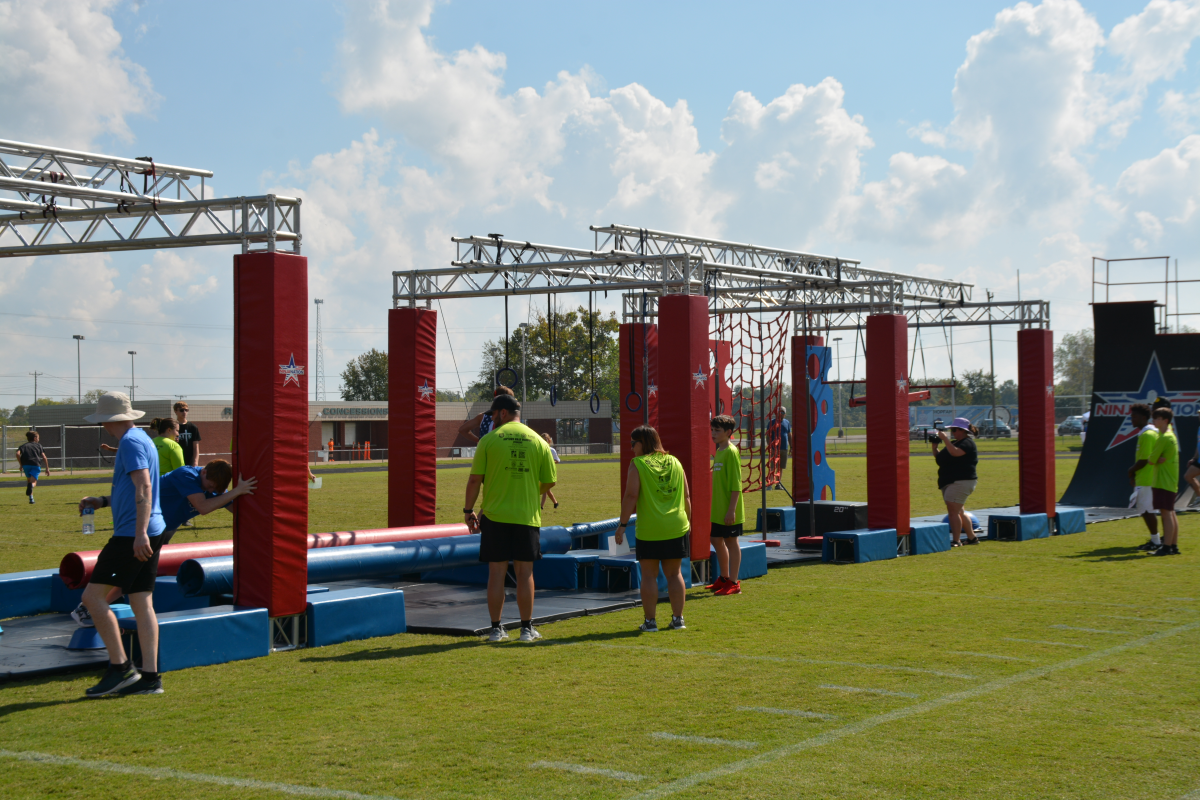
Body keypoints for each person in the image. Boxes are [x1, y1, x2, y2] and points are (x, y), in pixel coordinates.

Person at [71, 460, 257, 628]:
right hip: (139, 526)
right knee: (126, 571)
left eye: (214, 489)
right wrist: (236, 491)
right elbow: (203, 506)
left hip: (159, 532)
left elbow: (234, 508)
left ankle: (90, 608)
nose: (210, 491)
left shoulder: (213, 485)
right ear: (204, 472)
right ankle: (88, 607)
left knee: (135, 575)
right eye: (209, 487)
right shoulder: (186, 475)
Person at [76, 392, 166, 697]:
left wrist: (139, 534)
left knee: (92, 598)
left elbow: (144, 486)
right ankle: (150, 678)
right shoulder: (142, 439)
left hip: (133, 534)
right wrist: (102, 501)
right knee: (141, 602)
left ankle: (121, 668)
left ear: (105, 420)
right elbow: (133, 489)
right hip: (151, 528)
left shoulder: (129, 442)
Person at [463, 394, 557, 643]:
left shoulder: (489, 440)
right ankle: (526, 629)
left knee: (496, 573)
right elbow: (550, 480)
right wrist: (529, 491)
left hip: (495, 516)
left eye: (494, 414)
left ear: (503, 413)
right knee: (525, 573)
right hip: (526, 515)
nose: (492, 419)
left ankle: (496, 629)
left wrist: (468, 510)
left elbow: (474, 480)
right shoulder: (538, 441)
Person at [616, 425, 692, 632]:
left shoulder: (638, 464)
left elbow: (631, 495)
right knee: (674, 574)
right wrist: (688, 523)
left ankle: (650, 622)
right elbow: (686, 496)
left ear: (642, 443)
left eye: (633, 444)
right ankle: (678, 619)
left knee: (649, 576)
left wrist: (622, 525)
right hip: (677, 525)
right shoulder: (675, 461)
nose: (632, 448)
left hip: (650, 529)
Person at [708, 415, 745, 596]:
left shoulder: (731, 451)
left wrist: (731, 510)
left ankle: (734, 583)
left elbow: (736, 484)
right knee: (715, 539)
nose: (713, 433)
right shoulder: (720, 451)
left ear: (728, 432)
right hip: (718, 508)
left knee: (731, 541)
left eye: (717, 430)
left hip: (730, 509)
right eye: (712, 429)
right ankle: (724, 578)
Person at [932, 417, 979, 547]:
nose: (952, 432)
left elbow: (955, 453)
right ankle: (972, 538)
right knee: (959, 512)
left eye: (954, 430)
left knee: (953, 513)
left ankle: (956, 540)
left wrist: (945, 439)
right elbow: (940, 458)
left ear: (962, 430)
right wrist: (935, 447)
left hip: (960, 481)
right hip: (951, 481)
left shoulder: (967, 443)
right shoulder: (954, 443)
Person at [1127, 404, 1161, 551]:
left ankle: (1156, 541)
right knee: (1146, 511)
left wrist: (1131, 470)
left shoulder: (1148, 435)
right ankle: (1155, 540)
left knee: (1148, 511)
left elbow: (1144, 460)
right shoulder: (1146, 433)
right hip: (1146, 478)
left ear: (1143, 417)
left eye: (1134, 416)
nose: (1132, 419)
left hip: (1147, 479)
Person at [1149, 408, 1180, 556]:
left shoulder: (1163, 438)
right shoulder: (1170, 434)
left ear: (1165, 421)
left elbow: (1151, 460)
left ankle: (1166, 547)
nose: (1154, 420)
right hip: (1170, 479)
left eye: (1157, 418)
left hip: (1163, 480)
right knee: (1171, 512)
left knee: (1166, 513)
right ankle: (1173, 545)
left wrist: (1155, 459)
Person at [17, 429, 50, 504]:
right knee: (33, 482)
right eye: (38, 438)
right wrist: (47, 468)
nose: (38, 439)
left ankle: (31, 499)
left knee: (29, 481)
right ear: (35, 438)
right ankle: (31, 486)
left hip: (26, 465)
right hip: (35, 464)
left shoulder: (23, 446)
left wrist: (21, 464)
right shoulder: (39, 445)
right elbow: (44, 457)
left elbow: (17, 454)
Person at [767, 408, 792, 489]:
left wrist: (791, 447)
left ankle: (778, 484)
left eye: (782, 412)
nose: (781, 413)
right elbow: (768, 436)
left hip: (784, 448)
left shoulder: (786, 422)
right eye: (779, 411)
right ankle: (770, 484)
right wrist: (770, 446)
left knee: (781, 467)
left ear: (785, 414)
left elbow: (789, 435)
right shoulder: (772, 422)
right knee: (772, 467)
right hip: (775, 449)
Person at [174, 401, 202, 468]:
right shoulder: (173, 427)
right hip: (176, 459)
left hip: (190, 461)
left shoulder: (193, 427)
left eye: (186, 410)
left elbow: (196, 447)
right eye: (181, 410)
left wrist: (195, 462)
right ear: (175, 411)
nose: (184, 412)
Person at [540, 433, 560, 510]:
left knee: (545, 488)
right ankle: (555, 502)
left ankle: (541, 506)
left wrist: (550, 462)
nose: (544, 441)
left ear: (549, 440)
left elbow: (557, 460)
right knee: (546, 489)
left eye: (546, 439)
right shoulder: (539, 449)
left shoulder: (552, 450)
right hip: (541, 471)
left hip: (549, 471)